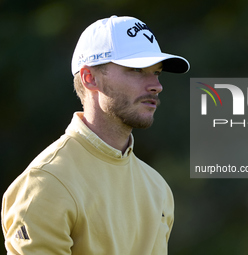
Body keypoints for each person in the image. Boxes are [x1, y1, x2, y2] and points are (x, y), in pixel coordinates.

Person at [1, 15, 189, 255]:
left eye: (157, 73)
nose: (156, 85)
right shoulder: (45, 183)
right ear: (90, 78)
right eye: (137, 70)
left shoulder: (157, 188)